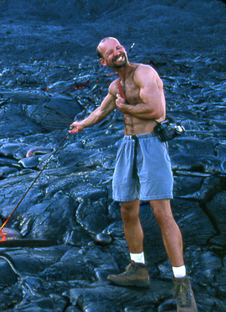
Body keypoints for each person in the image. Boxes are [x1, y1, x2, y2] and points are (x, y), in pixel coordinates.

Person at [69, 37, 196, 312]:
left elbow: (157, 111)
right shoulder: (116, 85)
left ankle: (182, 284)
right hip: (128, 145)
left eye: (119, 47)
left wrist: (125, 107)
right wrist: (81, 124)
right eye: (110, 53)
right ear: (103, 61)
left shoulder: (145, 73)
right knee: (128, 209)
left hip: (152, 145)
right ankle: (138, 269)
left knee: (162, 212)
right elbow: (102, 110)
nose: (118, 53)